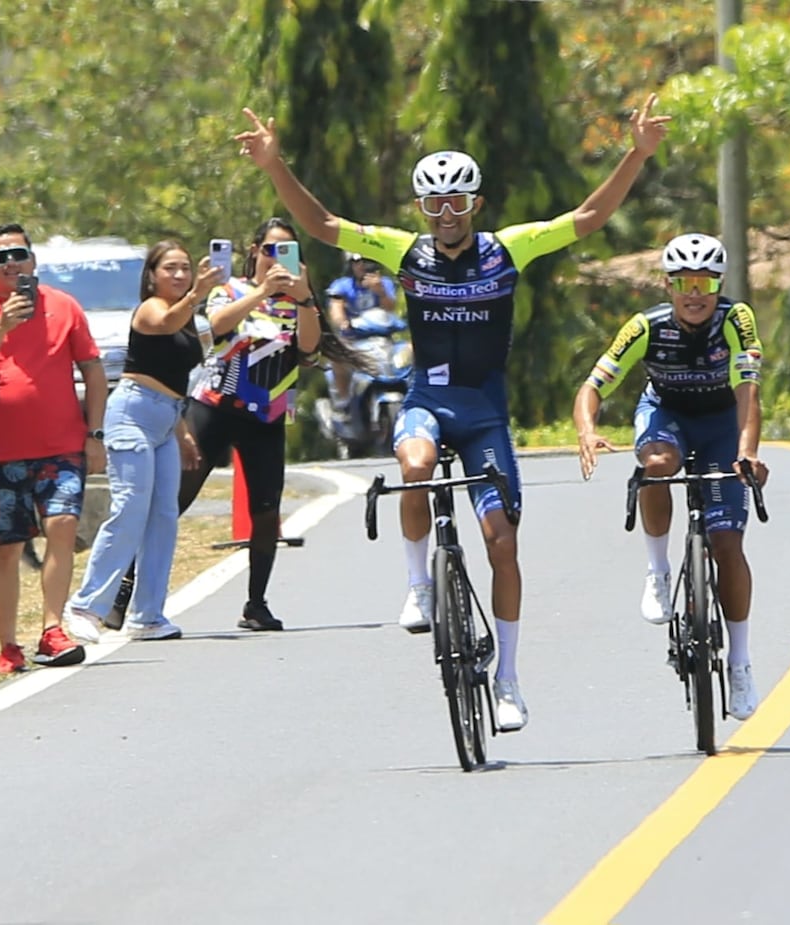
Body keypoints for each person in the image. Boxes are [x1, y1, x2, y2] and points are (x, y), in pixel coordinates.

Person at [236, 95, 670, 731]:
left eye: (457, 202)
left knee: (502, 544)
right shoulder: (401, 251)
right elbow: (325, 224)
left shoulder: (508, 249)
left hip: (486, 415)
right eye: (433, 203)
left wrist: (636, 153)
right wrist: (275, 167)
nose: (445, 214)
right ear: (420, 209)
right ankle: (418, 584)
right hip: (427, 402)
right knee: (413, 464)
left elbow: (587, 215)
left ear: (476, 205)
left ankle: (511, 679)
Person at [572, 233, 769, 720]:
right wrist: (587, 430)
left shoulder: (736, 320)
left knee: (727, 545)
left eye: (705, 282)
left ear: (719, 284)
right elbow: (593, 385)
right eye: (684, 282)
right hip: (667, 416)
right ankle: (658, 570)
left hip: (722, 425)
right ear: (668, 284)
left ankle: (740, 663)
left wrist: (746, 453)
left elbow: (748, 392)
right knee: (657, 469)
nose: (695, 293)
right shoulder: (645, 326)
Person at [65, 242, 223, 643]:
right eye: (170, 268)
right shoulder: (152, 309)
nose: (179, 275)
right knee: (131, 509)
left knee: (163, 517)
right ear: (152, 275)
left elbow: (177, 380)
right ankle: (86, 605)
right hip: (131, 416)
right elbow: (166, 323)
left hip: (166, 420)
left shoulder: (189, 318)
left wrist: (183, 431)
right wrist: (198, 293)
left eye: (185, 268)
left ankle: (148, 614)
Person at [178, 218, 322, 631]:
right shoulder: (230, 289)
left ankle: (256, 603)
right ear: (255, 251)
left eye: (287, 250)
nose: (277, 258)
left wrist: (306, 298)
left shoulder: (299, 301)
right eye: (270, 249)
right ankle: (128, 586)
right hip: (215, 408)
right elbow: (219, 325)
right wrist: (261, 292)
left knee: (266, 510)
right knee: (175, 500)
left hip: (267, 417)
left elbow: (309, 347)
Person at [0, 223, 107, 673]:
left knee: (62, 523)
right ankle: (9, 644)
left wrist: (95, 435)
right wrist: (2, 324)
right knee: (5, 550)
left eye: (18, 254)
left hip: (60, 448)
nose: (10, 263)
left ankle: (53, 629)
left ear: (33, 262)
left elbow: (93, 372)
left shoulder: (65, 307)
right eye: (0, 258)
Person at [326, 253, 399, 411]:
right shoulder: (342, 285)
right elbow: (336, 308)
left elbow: (391, 308)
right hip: (352, 338)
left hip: (381, 338)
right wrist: (342, 323)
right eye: (358, 262)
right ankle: (343, 401)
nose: (362, 266)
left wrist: (380, 292)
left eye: (367, 261)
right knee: (337, 358)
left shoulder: (384, 283)